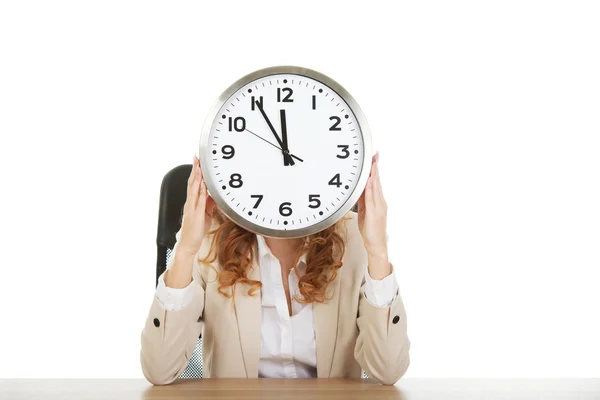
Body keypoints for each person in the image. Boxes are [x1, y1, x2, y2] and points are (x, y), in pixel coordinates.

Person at [140, 152, 410, 385]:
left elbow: (387, 371)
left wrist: (378, 252)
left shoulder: (355, 237)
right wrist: (186, 249)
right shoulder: (209, 237)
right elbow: (160, 370)